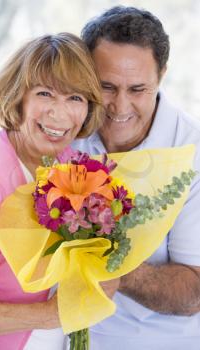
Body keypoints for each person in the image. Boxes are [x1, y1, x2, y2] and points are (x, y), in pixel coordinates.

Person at [0, 32, 120, 349]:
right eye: (45, 93)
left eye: (75, 98)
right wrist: (51, 315)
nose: (59, 113)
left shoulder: (69, 165)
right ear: (16, 97)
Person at [72, 6, 200, 349]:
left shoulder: (192, 151)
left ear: (162, 75)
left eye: (138, 89)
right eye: (107, 86)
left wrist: (111, 266)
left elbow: (195, 291)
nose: (119, 106)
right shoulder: (65, 127)